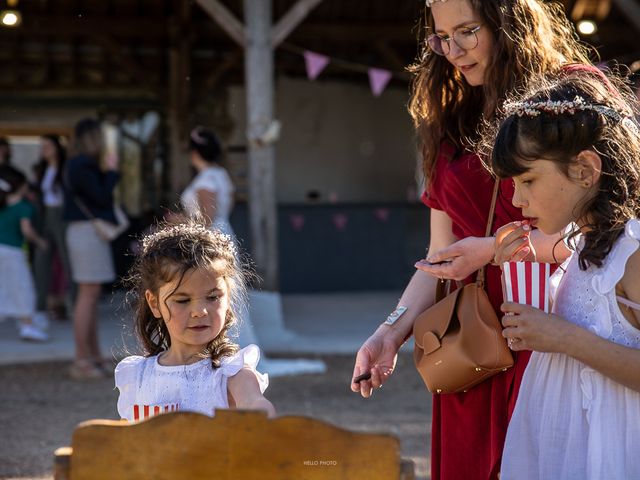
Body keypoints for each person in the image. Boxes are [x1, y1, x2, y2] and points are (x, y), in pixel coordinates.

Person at [350, 1, 592, 478]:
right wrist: (390, 332)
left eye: (466, 31)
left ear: (508, 23)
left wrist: (490, 251)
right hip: (472, 347)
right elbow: (440, 258)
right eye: (441, 38)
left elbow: (609, 221)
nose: (453, 51)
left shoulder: (570, 90)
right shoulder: (451, 118)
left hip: (556, 326)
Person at [487, 71, 640, 479]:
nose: (517, 200)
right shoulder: (580, 249)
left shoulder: (633, 255)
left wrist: (562, 337)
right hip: (565, 449)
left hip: (613, 452)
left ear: (586, 169)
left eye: (528, 180)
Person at [115, 220, 276, 421]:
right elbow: (125, 440)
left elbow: (254, 403)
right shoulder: (136, 375)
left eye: (213, 297)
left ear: (228, 299)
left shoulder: (232, 373)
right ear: (154, 303)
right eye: (182, 300)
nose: (200, 311)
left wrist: (262, 415)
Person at [63, 118, 120, 380]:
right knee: (87, 294)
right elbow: (100, 197)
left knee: (90, 294)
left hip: (83, 231)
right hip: (87, 231)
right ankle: (81, 359)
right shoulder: (83, 165)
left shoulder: (75, 164)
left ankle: (92, 355)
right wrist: (111, 173)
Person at [0, 165, 49, 341]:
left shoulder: (3, 204)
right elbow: (27, 230)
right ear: (20, 186)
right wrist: (40, 242)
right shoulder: (24, 206)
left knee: (3, 287)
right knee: (22, 287)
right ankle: (27, 324)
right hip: (13, 251)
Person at [33, 135, 72, 325]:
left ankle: (73, 305)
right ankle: (40, 307)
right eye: (42, 146)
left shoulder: (66, 169)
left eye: (47, 146)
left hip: (63, 217)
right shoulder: (41, 170)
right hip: (46, 216)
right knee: (41, 261)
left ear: (57, 147)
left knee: (68, 263)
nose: (44, 149)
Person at [181, 126, 234, 236]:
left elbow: (207, 219)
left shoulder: (205, 180)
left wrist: (180, 221)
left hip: (209, 238)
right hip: (224, 231)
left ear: (194, 153)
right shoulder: (222, 174)